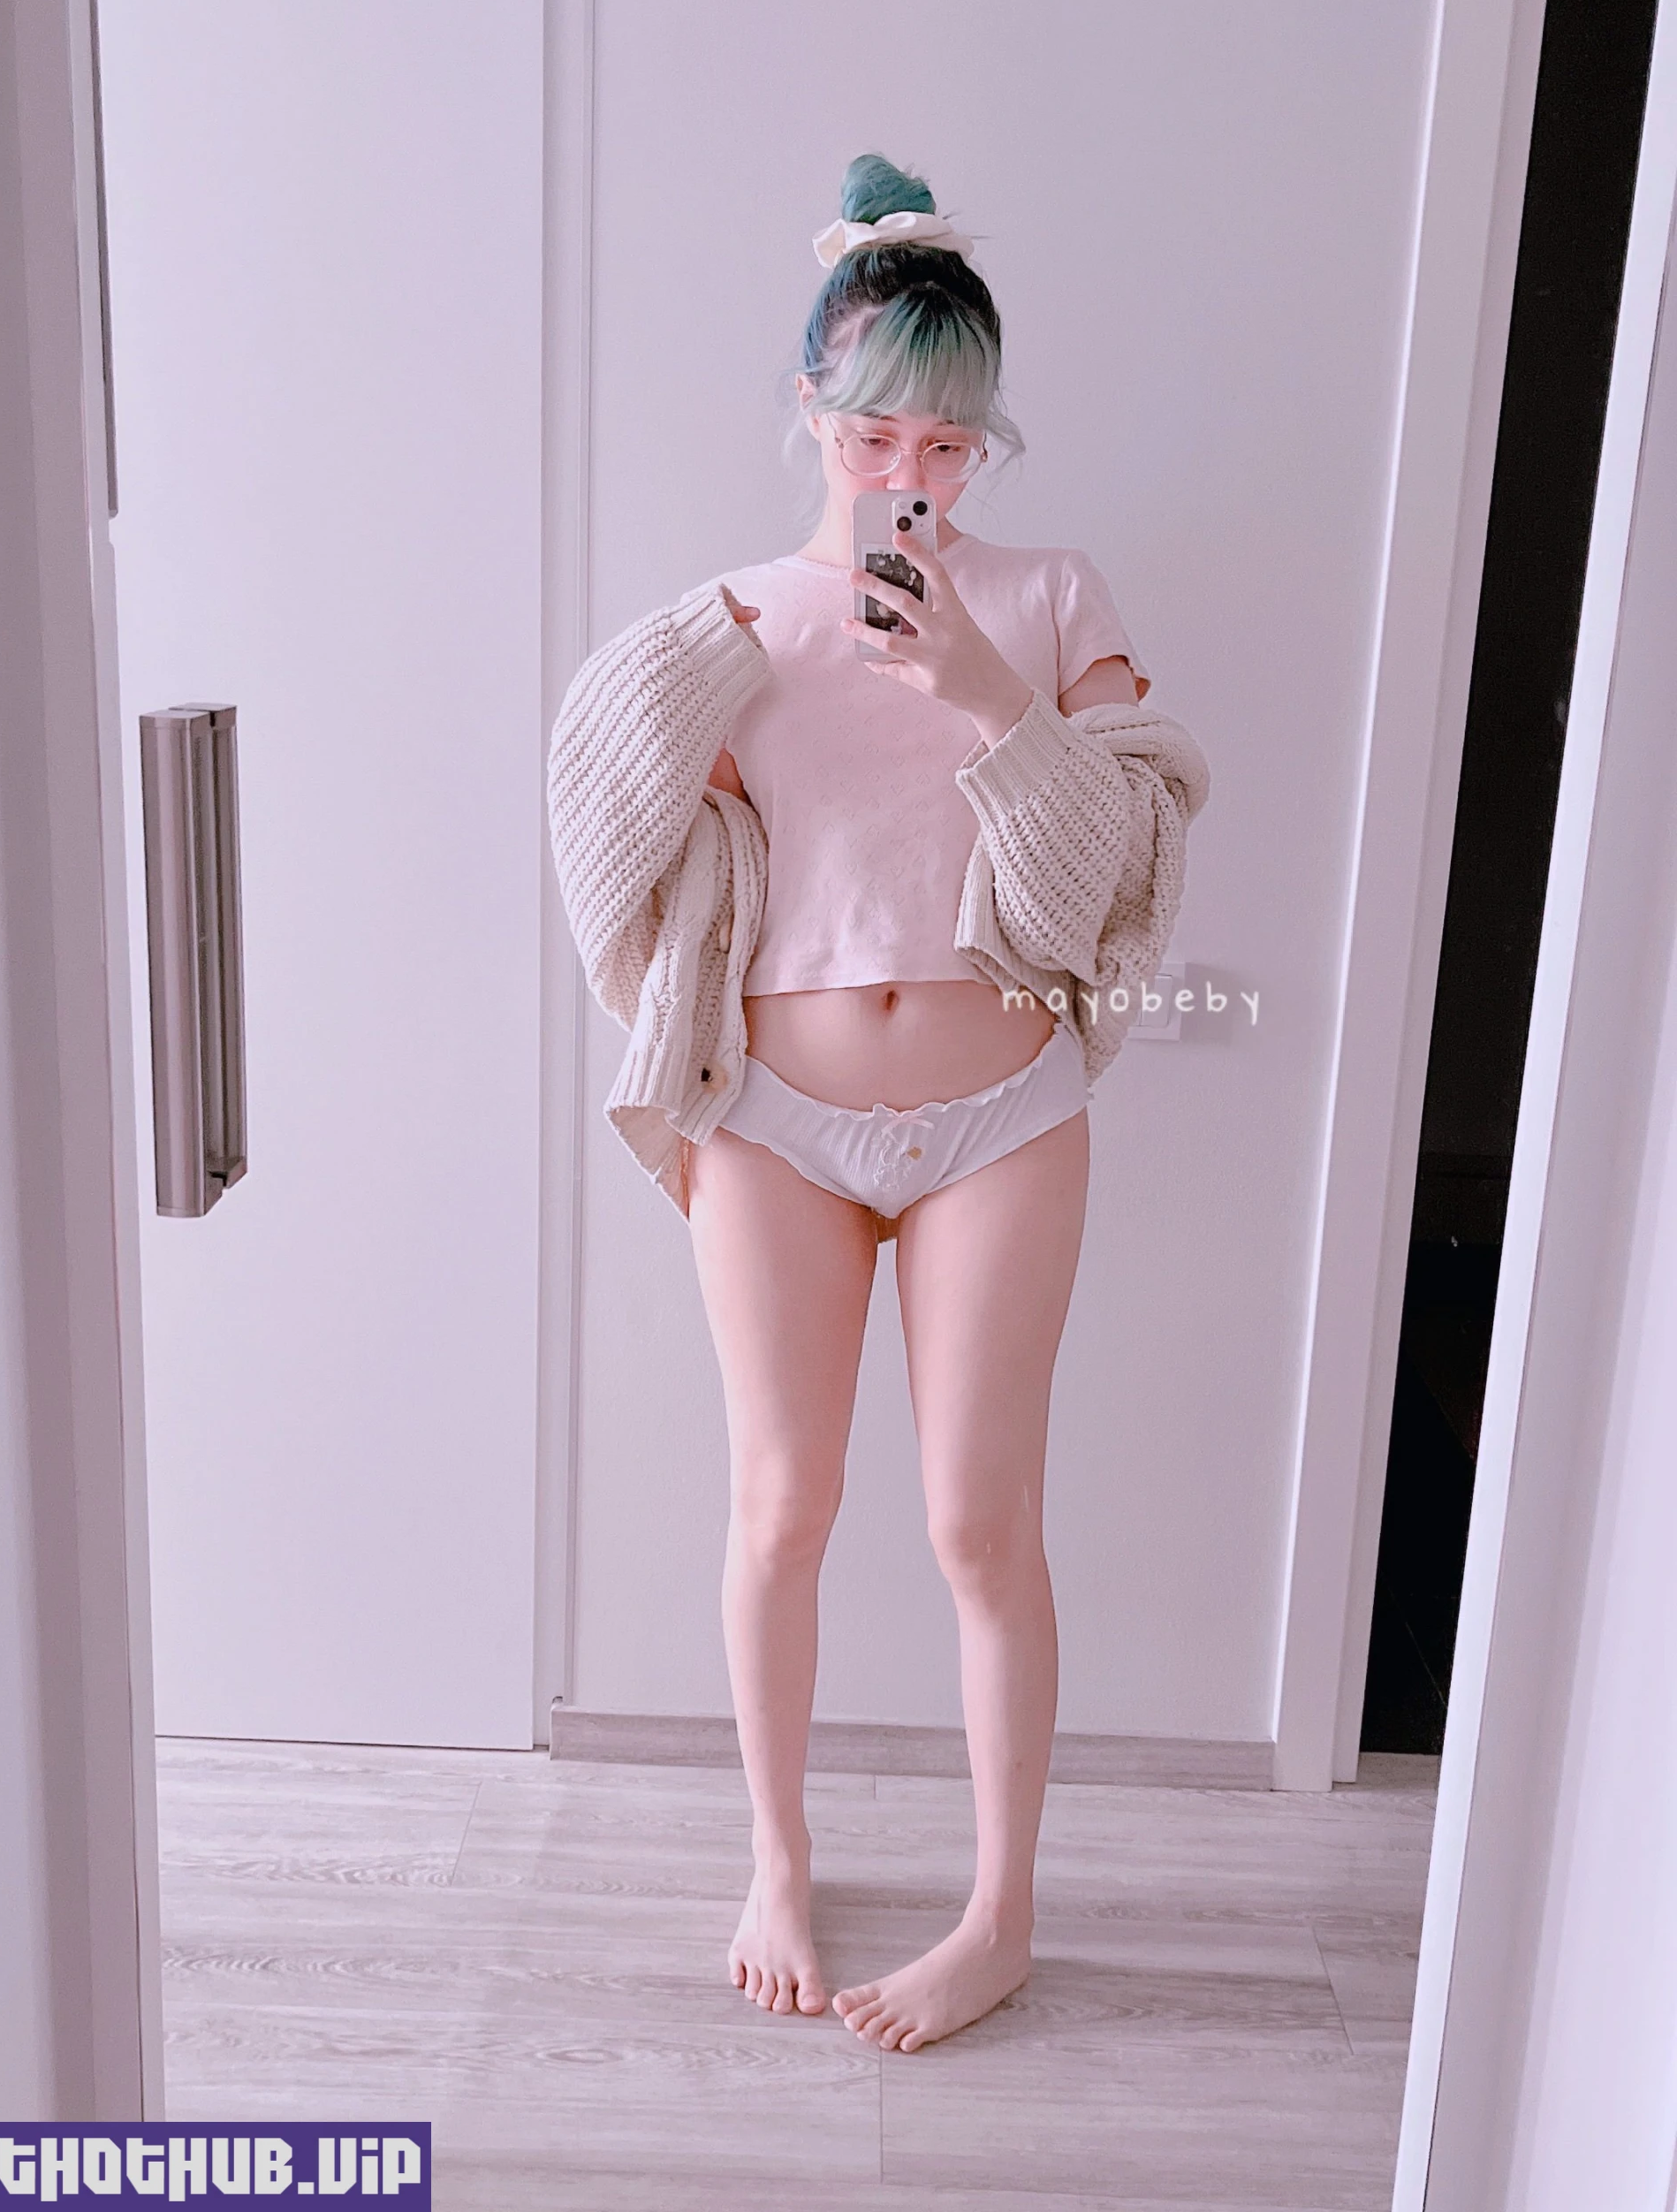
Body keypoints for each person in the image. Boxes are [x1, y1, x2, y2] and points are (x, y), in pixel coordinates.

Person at [546, 153, 1210, 2054]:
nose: (909, 472)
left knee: (981, 1525)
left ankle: (1002, 1912)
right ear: (811, 415)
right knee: (781, 1506)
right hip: (776, 1118)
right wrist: (700, 696)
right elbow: (602, 832)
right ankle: (777, 1856)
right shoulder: (732, 622)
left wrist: (992, 691)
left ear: (985, 441)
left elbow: (1120, 869)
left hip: (1004, 1111)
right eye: (871, 434)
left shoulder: (1054, 602)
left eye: (947, 441)